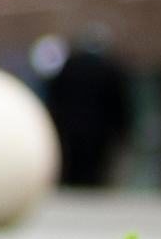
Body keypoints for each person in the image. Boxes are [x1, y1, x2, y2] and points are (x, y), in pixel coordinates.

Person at [42, 28, 138, 189]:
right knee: (95, 173)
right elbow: (119, 103)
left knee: (72, 171)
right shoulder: (110, 68)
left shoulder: (68, 67)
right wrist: (123, 130)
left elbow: (54, 98)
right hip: (100, 133)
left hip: (69, 130)